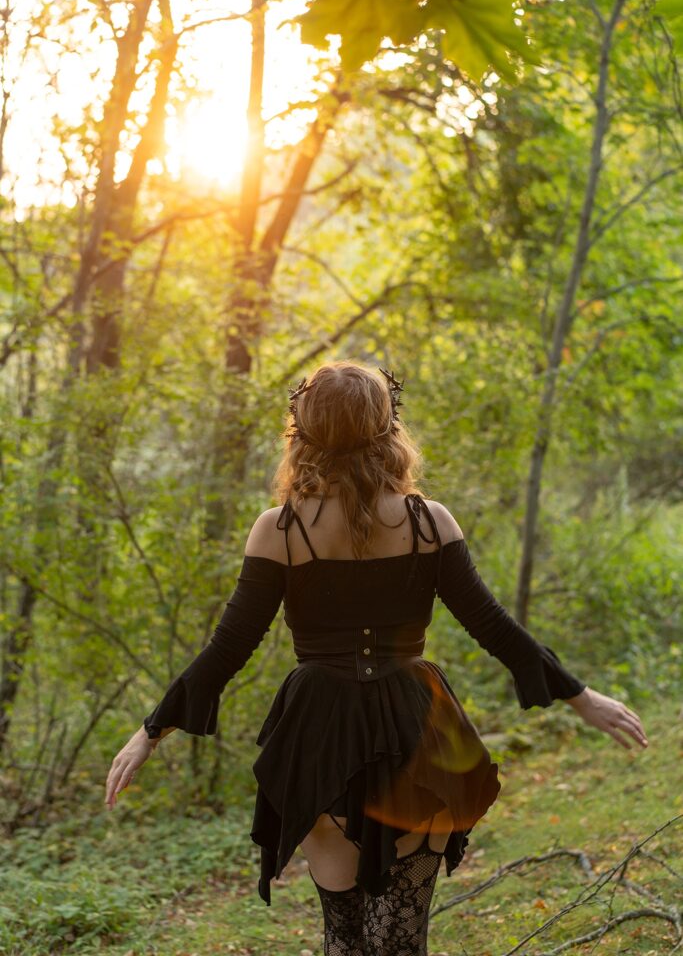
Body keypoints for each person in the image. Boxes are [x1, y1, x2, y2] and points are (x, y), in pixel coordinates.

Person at [105, 360, 648, 956]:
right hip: (414, 727)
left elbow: (228, 649)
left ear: (303, 433)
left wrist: (150, 732)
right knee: (399, 942)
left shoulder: (279, 531)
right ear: (389, 428)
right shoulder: (427, 523)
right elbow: (494, 627)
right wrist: (580, 696)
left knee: (347, 940)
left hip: (317, 732)